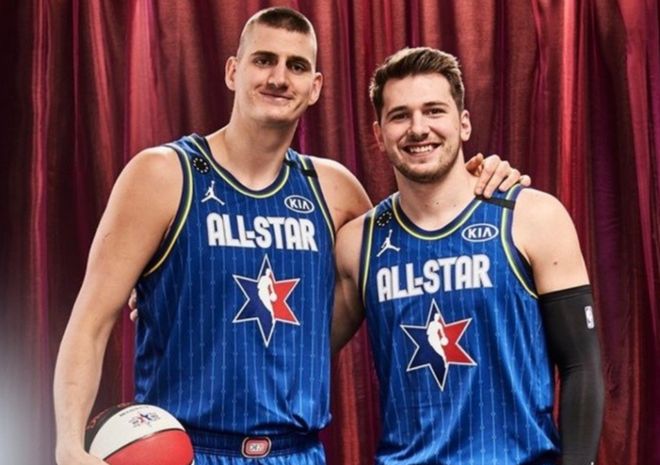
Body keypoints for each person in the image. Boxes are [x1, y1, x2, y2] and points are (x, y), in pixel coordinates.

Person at [53, 7, 527, 465]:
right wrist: (69, 446)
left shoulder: (335, 191)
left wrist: (474, 182)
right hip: (187, 448)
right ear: (233, 71)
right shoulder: (164, 175)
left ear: (315, 87)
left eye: (296, 66)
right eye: (264, 60)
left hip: (295, 451)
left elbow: (418, 248)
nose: (279, 78)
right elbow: (91, 320)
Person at [332, 47, 604, 465]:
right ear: (378, 134)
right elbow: (298, 350)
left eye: (434, 111)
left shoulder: (533, 217)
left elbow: (581, 366)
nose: (418, 128)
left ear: (463, 123)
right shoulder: (358, 242)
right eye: (400, 115)